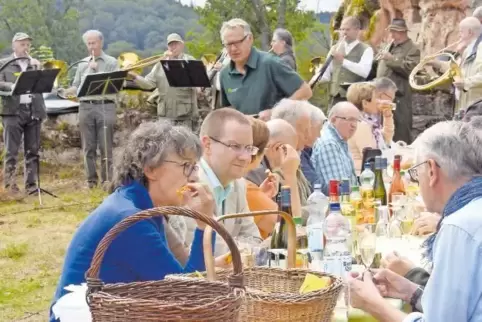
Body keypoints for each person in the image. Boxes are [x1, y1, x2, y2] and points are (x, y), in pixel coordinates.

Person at [49, 121, 215, 322]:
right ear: (150, 169)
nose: (194, 176)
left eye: (195, 166)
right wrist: (204, 224)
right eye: (185, 166)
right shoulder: (132, 221)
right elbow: (187, 296)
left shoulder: (136, 204)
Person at [349, 119, 482, 321]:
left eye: (415, 173)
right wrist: (412, 293)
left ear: (431, 170)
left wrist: (372, 304)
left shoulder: (460, 226)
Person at [183, 108, 261, 256]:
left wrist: (235, 248)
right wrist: (242, 248)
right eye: (235, 146)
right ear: (207, 145)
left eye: (249, 148)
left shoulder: (238, 184)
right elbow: (208, 248)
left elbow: (255, 239)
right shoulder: (189, 183)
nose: (245, 157)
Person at [219, 18, 312, 119]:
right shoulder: (224, 75)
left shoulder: (270, 63)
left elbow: (305, 91)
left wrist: (275, 112)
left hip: (275, 131)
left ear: (250, 39)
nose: (233, 49)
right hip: (244, 133)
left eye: (237, 42)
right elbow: (229, 107)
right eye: (228, 44)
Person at [61, 30, 118, 188]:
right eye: (89, 44)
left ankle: (107, 180)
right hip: (86, 106)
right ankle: (91, 181)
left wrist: (96, 71)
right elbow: (77, 85)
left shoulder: (111, 62)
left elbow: (113, 85)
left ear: (101, 42)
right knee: (88, 146)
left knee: (106, 145)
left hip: (105, 105)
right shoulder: (82, 63)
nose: (91, 46)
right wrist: (65, 91)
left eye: (94, 43)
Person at [0, 32, 44, 194]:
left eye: (27, 44)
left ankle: (31, 186)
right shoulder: (4, 63)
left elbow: (47, 85)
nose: (25, 48)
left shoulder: (35, 64)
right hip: (12, 111)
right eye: (22, 44)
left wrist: (39, 69)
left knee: (32, 151)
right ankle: (9, 186)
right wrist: (11, 86)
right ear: (14, 46)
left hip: (33, 109)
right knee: (11, 151)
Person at [245, 118, 302, 238]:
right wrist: (290, 175)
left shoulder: (244, 186)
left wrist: (261, 196)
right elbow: (291, 229)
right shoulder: (247, 184)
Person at [130, 33, 199, 130]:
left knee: (186, 142)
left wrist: (172, 62)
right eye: (171, 44)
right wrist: (135, 77)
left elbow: (197, 80)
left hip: (185, 113)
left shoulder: (189, 60)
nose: (173, 47)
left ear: (182, 45)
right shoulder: (160, 64)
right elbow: (149, 84)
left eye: (176, 44)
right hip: (166, 113)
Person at [310, 16, 374, 108]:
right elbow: (327, 75)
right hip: (335, 97)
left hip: (355, 98)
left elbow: (364, 72)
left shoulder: (367, 49)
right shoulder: (335, 48)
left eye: (347, 29)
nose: (344, 32)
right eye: (342, 29)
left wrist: (343, 61)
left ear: (356, 30)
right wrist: (317, 75)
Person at [376, 18, 420, 144]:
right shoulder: (390, 45)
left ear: (403, 32)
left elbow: (411, 69)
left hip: (399, 97)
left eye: (394, 32)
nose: (392, 35)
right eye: (391, 32)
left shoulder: (412, 48)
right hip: (382, 95)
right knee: (382, 128)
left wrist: (391, 59)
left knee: (400, 130)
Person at [346, 79, 396, 172]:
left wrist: (387, 116)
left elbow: (387, 138)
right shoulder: (361, 125)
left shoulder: (369, 122)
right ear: (365, 103)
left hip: (371, 172)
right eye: (376, 98)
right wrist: (395, 163)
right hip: (363, 178)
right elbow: (371, 159)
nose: (379, 102)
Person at [311, 102, 359, 195]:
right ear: (333, 120)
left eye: (356, 120)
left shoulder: (339, 139)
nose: (354, 125)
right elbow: (340, 190)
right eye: (350, 119)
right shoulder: (329, 144)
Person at [300, 102, 326, 189]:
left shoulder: (306, 150)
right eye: (319, 129)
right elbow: (315, 186)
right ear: (308, 128)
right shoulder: (297, 152)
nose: (319, 135)